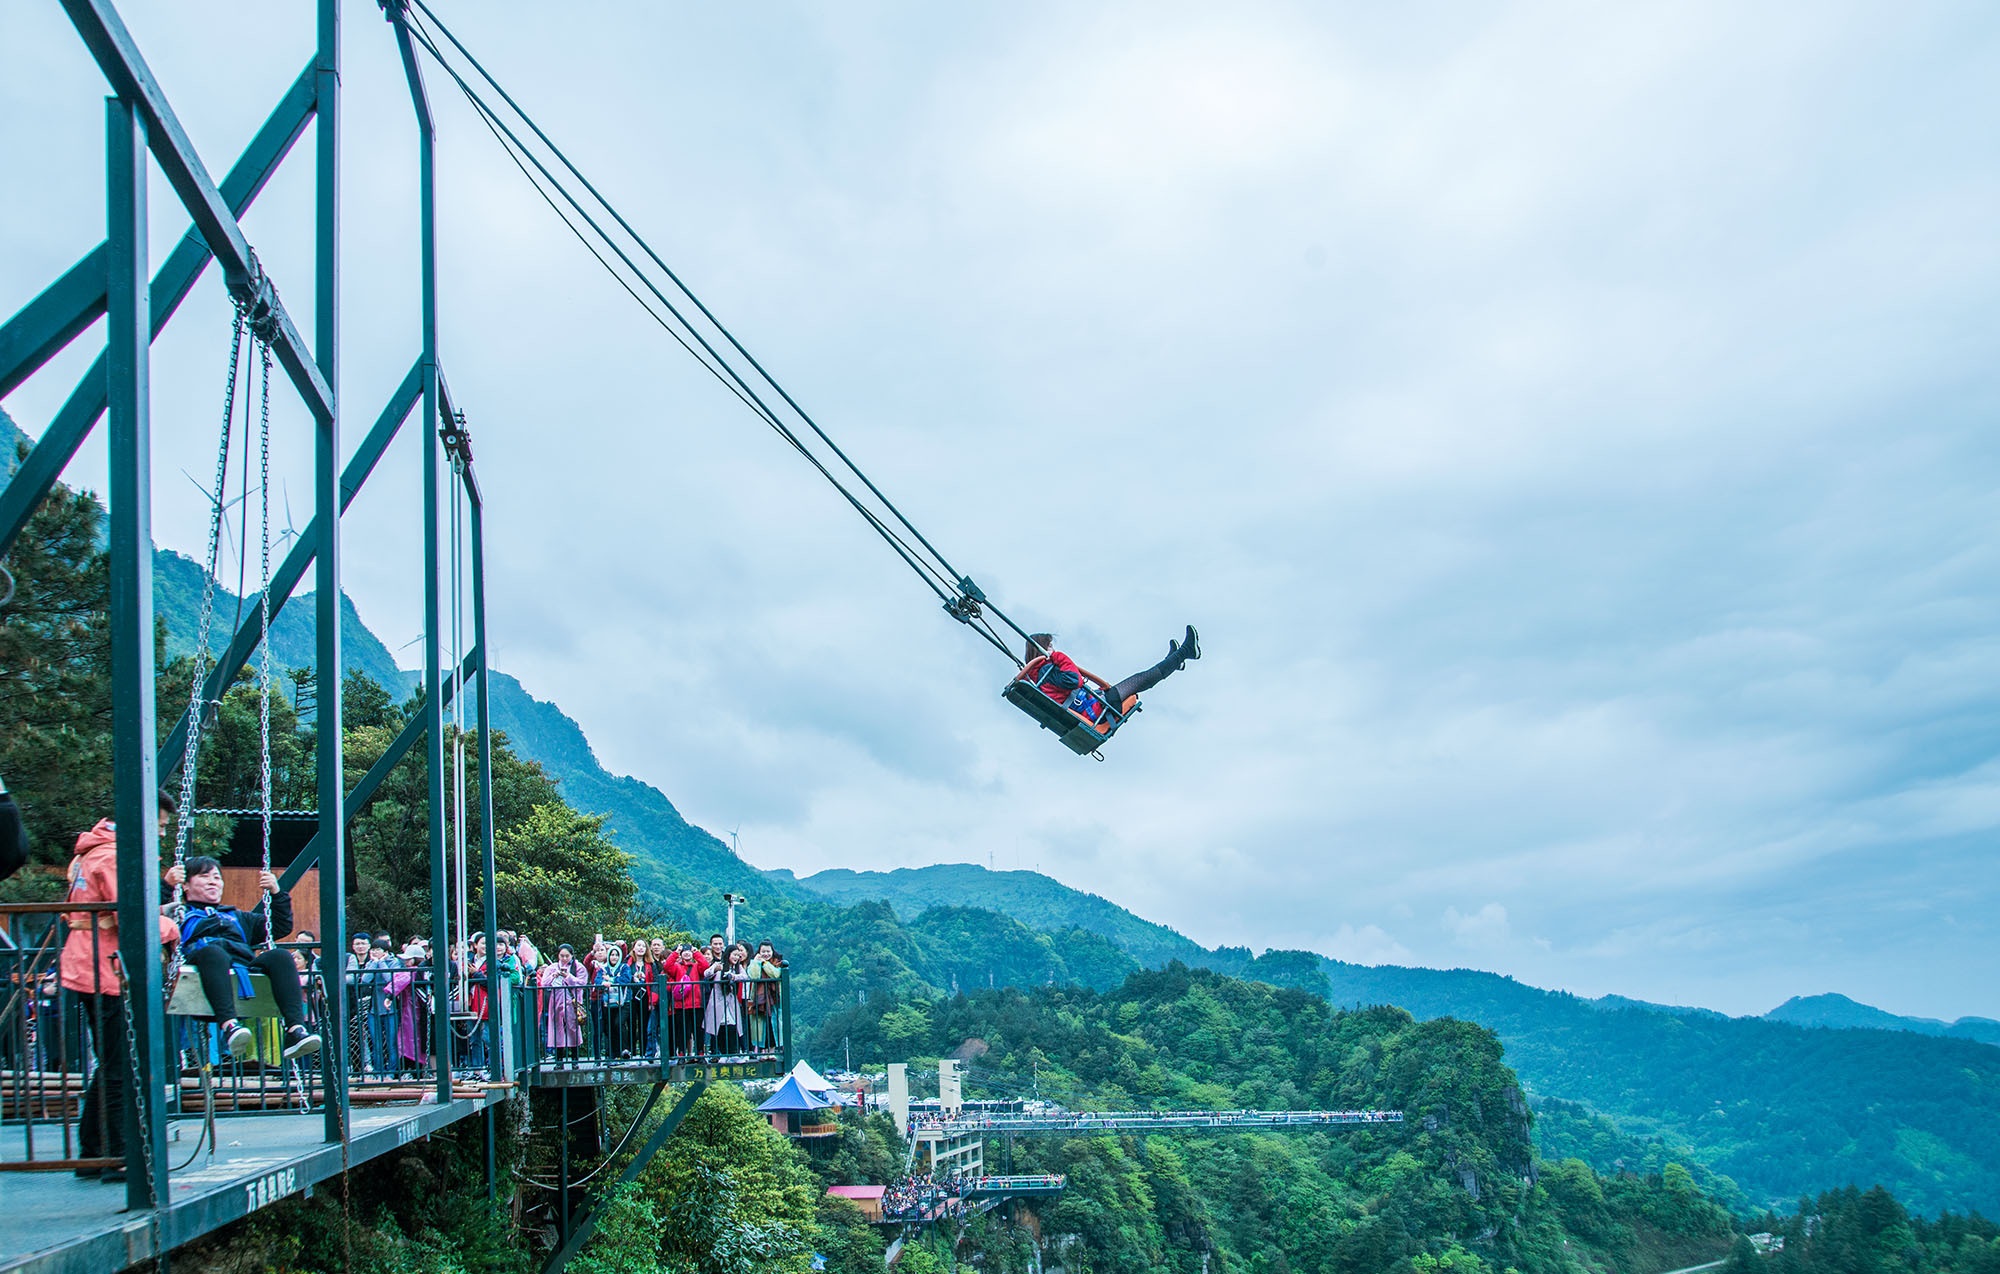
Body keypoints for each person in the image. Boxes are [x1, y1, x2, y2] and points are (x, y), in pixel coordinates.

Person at [60, 794, 181, 1181]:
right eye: (160, 826)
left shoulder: (90, 852)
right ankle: (117, 1153)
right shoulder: (113, 856)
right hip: (104, 968)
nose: (162, 834)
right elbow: (128, 915)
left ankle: (93, 1150)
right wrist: (169, 928)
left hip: (87, 962)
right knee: (120, 1065)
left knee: (111, 1061)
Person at [163, 856, 322, 1061]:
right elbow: (148, 919)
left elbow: (279, 926)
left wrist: (276, 893)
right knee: (214, 952)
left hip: (240, 972)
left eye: (217, 877)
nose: (213, 881)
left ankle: (295, 1030)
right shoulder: (178, 913)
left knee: (281, 956)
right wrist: (166, 885)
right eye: (204, 876)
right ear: (186, 884)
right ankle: (229, 1026)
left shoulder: (237, 917)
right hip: (203, 971)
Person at [1016, 627, 1199, 726]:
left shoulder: (1036, 676)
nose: (1053, 650)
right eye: (1050, 647)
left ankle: (1174, 661)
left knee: (1140, 679)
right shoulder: (1045, 671)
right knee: (1140, 680)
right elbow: (1074, 680)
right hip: (1097, 710)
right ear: (1041, 649)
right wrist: (1059, 657)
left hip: (1092, 706)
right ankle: (1185, 652)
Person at [537, 944, 587, 1066]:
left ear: (572, 955)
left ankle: (575, 1059)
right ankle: (559, 1060)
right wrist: (553, 975)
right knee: (557, 1029)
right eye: (561, 956)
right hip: (556, 1001)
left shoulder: (578, 967)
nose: (564, 958)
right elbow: (544, 983)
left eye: (567, 956)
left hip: (572, 1002)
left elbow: (582, 983)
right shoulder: (552, 967)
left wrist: (568, 977)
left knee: (573, 1029)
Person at [661, 940, 708, 1059]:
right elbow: (667, 966)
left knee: (698, 1031)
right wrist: (675, 953)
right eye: (684, 952)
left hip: (696, 1004)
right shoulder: (677, 967)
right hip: (680, 1005)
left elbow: (705, 967)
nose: (687, 954)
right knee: (682, 1031)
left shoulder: (697, 967)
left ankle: (700, 1054)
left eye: (688, 952)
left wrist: (696, 952)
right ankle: (681, 1054)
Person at [702, 941, 749, 1057]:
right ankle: (716, 1053)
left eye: (738, 955)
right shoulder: (719, 965)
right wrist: (715, 969)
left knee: (734, 1026)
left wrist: (734, 976)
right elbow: (706, 973)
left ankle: (736, 1052)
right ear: (728, 954)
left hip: (731, 1002)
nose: (736, 957)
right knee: (716, 1027)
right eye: (734, 954)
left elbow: (745, 977)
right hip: (717, 1001)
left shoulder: (737, 968)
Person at [744, 941, 784, 1052]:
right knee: (761, 1027)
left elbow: (775, 974)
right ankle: (762, 1052)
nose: (766, 954)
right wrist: (756, 963)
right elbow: (754, 976)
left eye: (768, 951)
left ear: (772, 951)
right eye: (763, 951)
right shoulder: (755, 962)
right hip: (760, 1000)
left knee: (773, 1027)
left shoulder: (777, 962)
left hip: (773, 1000)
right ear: (759, 952)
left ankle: (771, 1051)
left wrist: (765, 964)